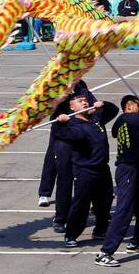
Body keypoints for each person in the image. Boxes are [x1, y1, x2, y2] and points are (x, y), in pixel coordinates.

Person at [95, 95, 139, 267]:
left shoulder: (124, 122)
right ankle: (105, 252)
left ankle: (135, 243)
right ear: (129, 106)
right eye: (137, 106)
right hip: (127, 172)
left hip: (130, 170)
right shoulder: (130, 118)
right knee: (124, 210)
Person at [52, 91, 119, 247]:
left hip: (102, 168)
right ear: (72, 107)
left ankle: (100, 229)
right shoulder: (72, 124)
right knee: (81, 205)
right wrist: (59, 123)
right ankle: (71, 235)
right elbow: (62, 135)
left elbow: (113, 111)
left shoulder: (96, 119)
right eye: (80, 101)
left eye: (85, 100)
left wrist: (104, 104)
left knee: (105, 202)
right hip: (85, 170)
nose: (84, 102)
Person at [37, 81, 96, 226]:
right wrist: (62, 97)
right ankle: (45, 194)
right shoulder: (57, 84)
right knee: (55, 165)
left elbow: (92, 104)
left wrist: (95, 106)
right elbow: (48, 106)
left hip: (79, 131)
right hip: (62, 132)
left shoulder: (81, 86)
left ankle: (96, 206)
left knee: (88, 171)